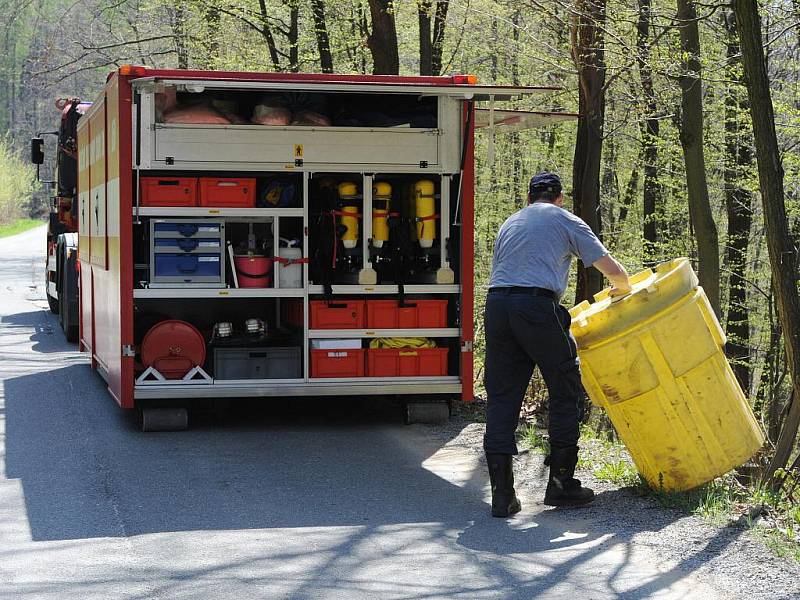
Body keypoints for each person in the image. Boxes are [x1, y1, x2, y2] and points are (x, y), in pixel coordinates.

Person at [483, 171, 631, 517]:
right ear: (559, 198)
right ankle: (562, 485)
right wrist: (621, 289)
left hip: (497, 306)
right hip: (536, 307)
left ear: (529, 197)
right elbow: (613, 270)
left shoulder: (511, 222)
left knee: (503, 397)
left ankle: (502, 495)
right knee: (566, 389)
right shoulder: (567, 220)